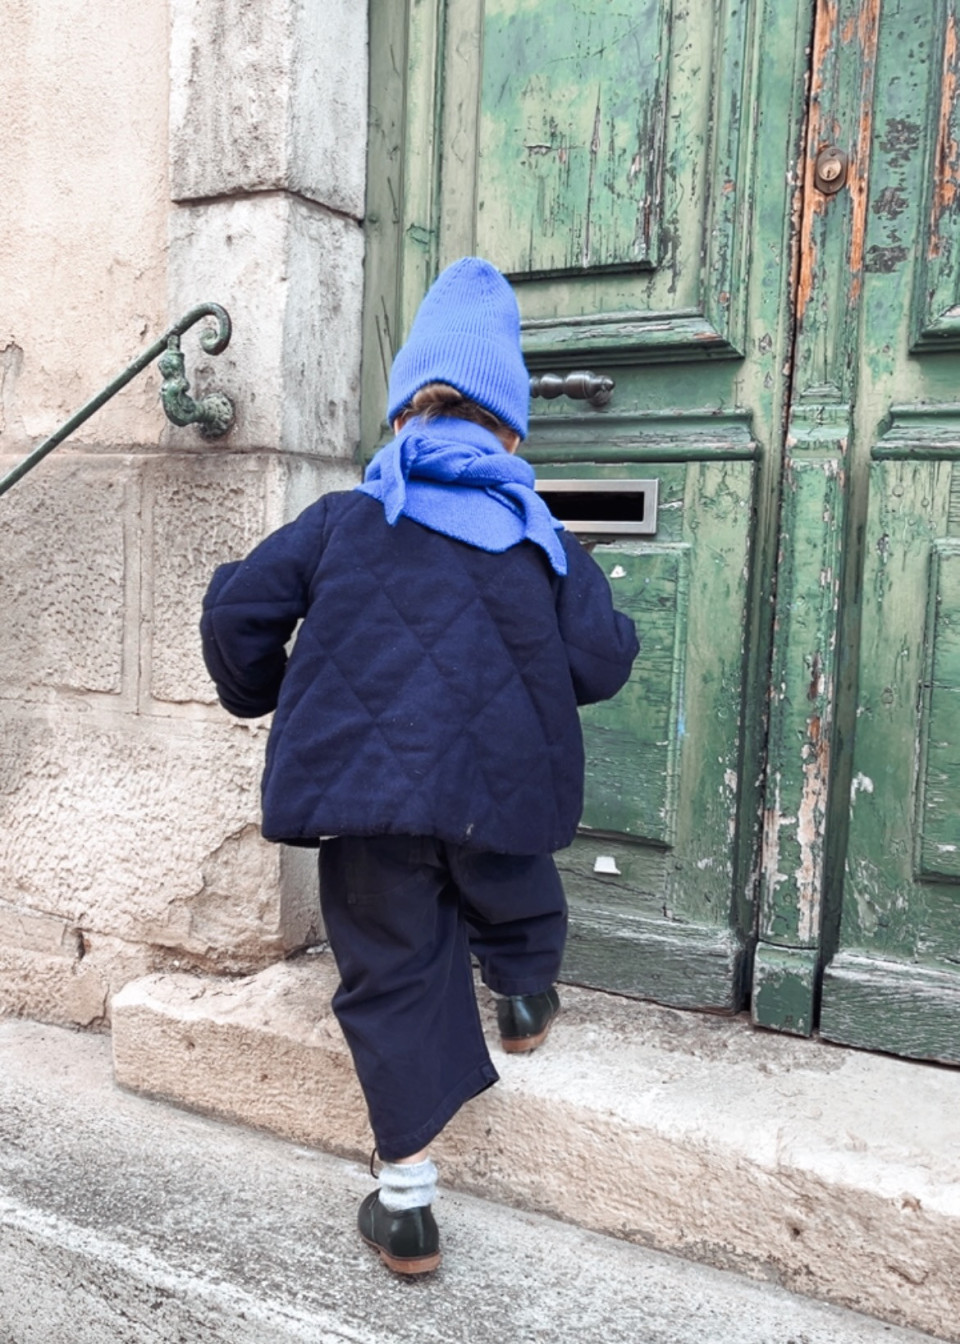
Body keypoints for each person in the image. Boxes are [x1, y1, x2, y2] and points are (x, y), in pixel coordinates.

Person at [200, 257, 639, 1275]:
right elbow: (604, 659)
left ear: (403, 414)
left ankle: (406, 1207)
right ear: (510, 431)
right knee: (510, 868)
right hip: (500, 783)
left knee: (391, 967)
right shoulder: (540, 536)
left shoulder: (344, 518)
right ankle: (524, 997)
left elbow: (236, 613)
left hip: (366, 793)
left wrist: (264, 687)